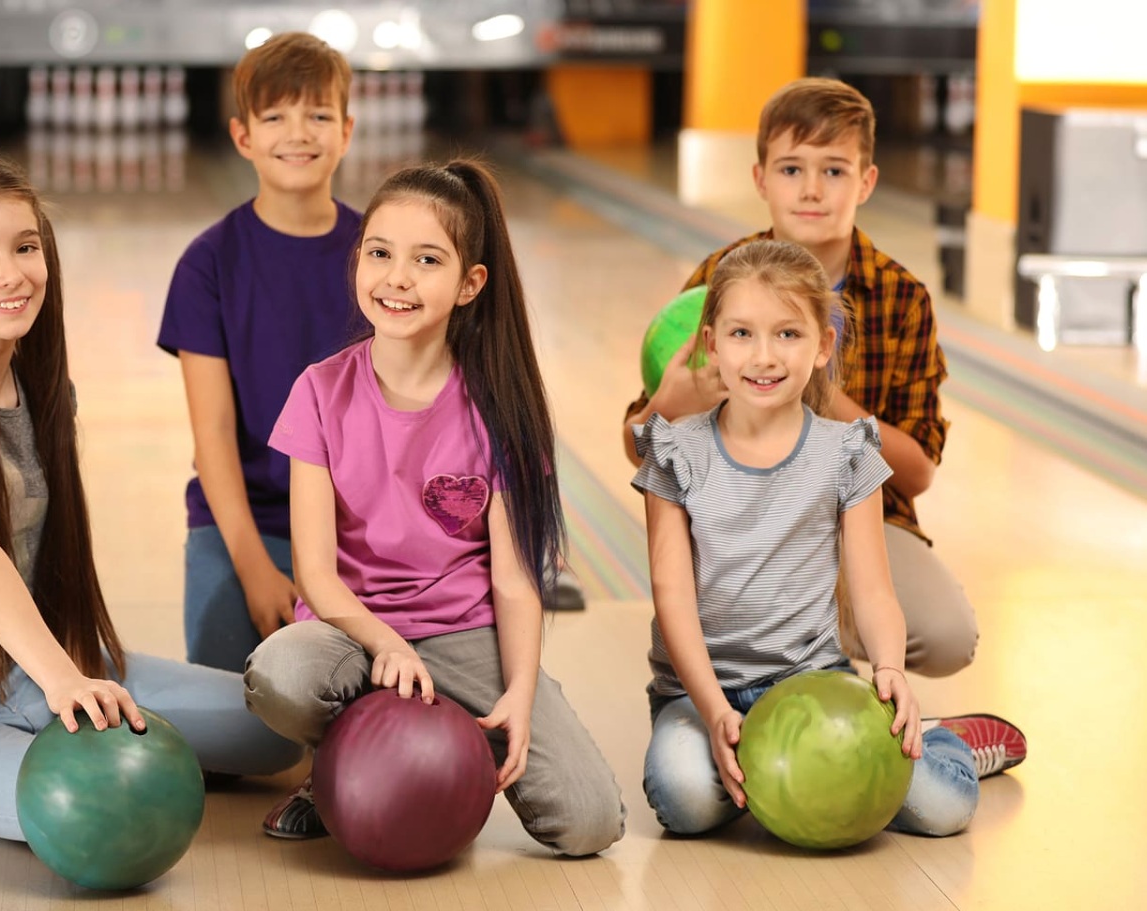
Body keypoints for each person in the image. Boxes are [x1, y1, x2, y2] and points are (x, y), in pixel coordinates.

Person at [0, 154, 302, 841]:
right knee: (113, 811)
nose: (11, 273)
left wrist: (65, 671)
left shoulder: (40, 388)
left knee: (279, 728)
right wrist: (64, 682)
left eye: (26, 246)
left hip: (35, 670)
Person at [244, 161, 626, 855]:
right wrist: (384, 640)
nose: (398, 278)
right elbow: (315, 575)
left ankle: (443, 755)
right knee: (281, 675)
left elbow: (514, 580)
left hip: (462, 633)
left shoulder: (498, 409)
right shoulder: (320, 390)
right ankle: (334, 768)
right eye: (381, 254)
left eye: (427, 260)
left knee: (590, 821)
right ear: (357, 261)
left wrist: (518, 691)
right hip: (350, 635)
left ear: (469, 284)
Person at [623, 77, 985, 678]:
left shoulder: (901, 297)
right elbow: (638, 447)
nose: (812, 189)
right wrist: (666, 404)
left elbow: (916, 473)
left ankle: (832, 675)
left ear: (866, 181)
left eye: (835, 171)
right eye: (792, 169)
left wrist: (822, 392)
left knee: (947, 637)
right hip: (735, 521)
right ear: (761, 177)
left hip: (856, 523)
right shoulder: (719, 280)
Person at [633, 239, 985, 837]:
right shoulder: (674, 451)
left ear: (823, 346)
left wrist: (891, 669)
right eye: (741, 334)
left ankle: (948, 741)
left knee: (942, 808)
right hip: (700, 693)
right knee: (685, 800)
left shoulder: (846, 452)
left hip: (813, 681)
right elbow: (673, 599)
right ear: (711, 344)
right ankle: (756, 768)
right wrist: (716, 710)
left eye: (788, 335)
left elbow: (873, 593)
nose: (764, 356)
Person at [158, 32, 361, 673]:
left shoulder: (380, 254)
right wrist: (252, 569)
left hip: (358, 531)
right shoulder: (209, 264)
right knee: (244, 735)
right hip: (244, 523)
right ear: (243, 137)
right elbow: (213, 435)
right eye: (275, 116)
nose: (298, 133)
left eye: (319, 115)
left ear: (347, 131)